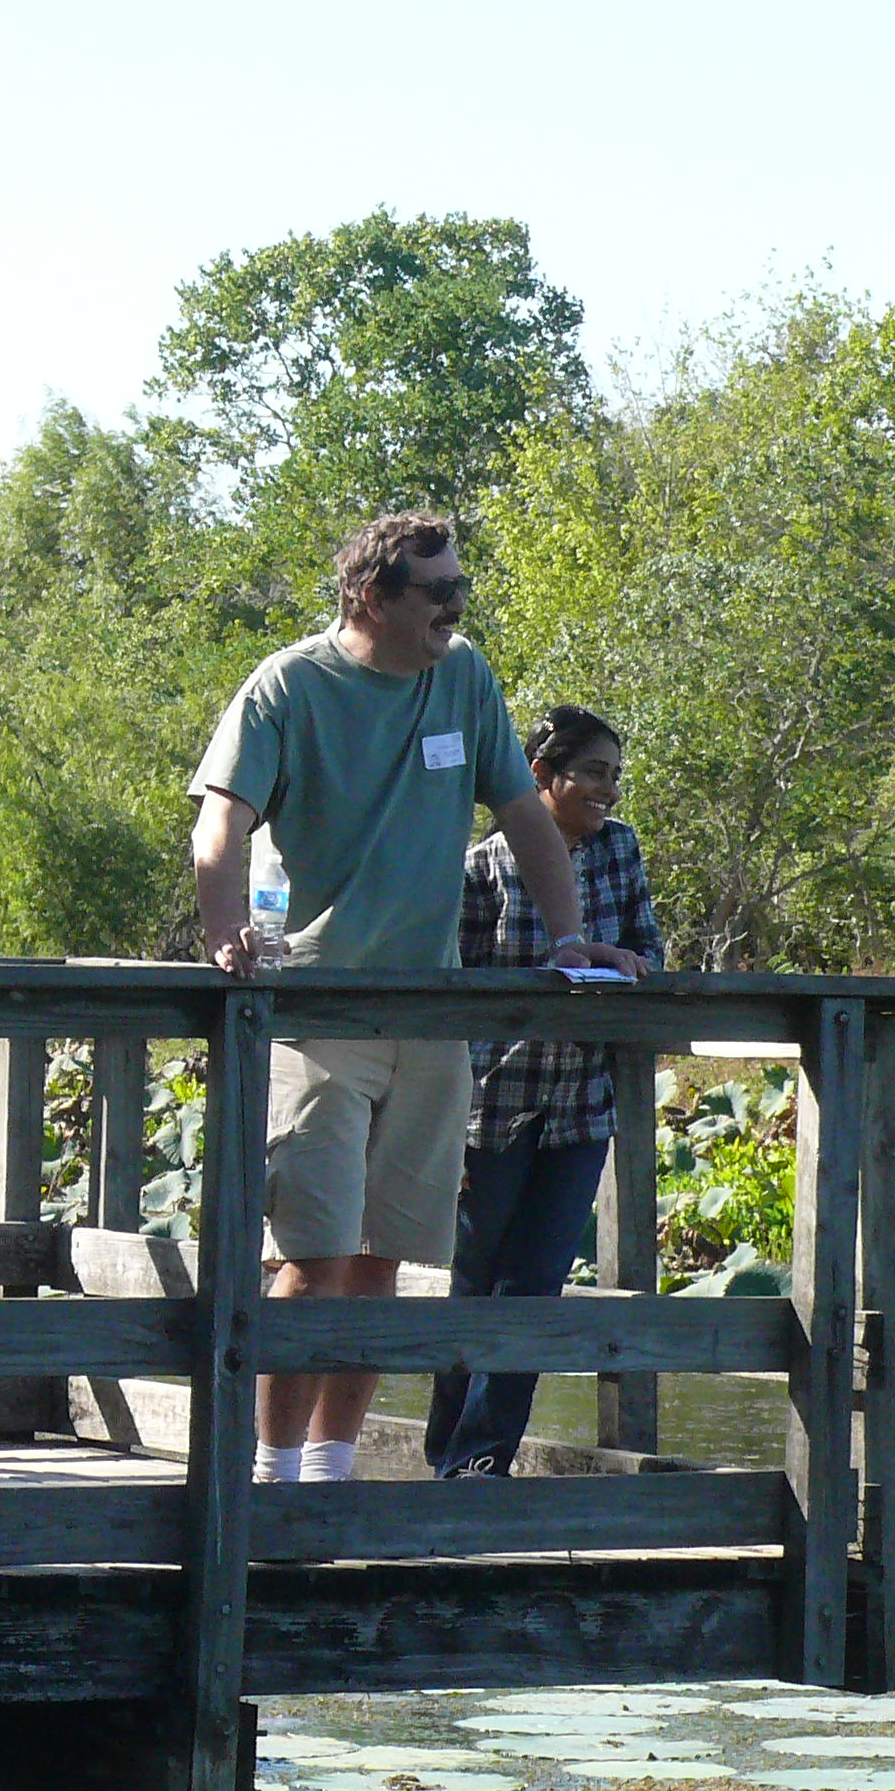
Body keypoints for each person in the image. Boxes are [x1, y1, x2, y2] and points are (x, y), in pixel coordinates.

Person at [190, 512, 607, 1485]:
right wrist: (223, 934)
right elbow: (221, 827)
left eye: (463, 588)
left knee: (383, 1263)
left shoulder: (462, 676)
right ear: (372, 597)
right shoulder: (288, 686)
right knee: (312, 1260)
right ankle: (268, 1478)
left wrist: (569, 935)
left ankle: (331, 1478)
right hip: (315, 1016)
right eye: (438, 592)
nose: (456, 608)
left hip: (428, 1020)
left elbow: (523, 819)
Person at [427, 706, 665, 1478]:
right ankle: (446, 1452)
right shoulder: (482, 865)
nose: (608, 790)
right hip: (493, 1102)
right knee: (475, 1278)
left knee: (536, 1282)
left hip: (581, 1102)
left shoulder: (619, 850)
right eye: (594, 772)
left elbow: (648, 947)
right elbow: (456, 980)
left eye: (614, 775)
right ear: (542, 775)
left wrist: (621, 962)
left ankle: (483, 1460)